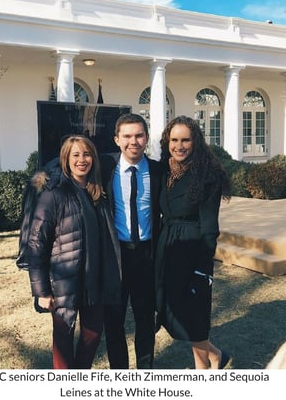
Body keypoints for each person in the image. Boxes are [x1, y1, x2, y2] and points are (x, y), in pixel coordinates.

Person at [26, 135, 122, 369]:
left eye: (87, 154)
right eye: (75, 155)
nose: (82, 160)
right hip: (64, 283)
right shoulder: (54, 195)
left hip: (94, 282)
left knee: (92, 336)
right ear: (65, 159)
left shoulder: (98, 193)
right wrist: (41, 291)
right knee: (63, 341)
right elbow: (36, 245)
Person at [155, 115, 231, 369]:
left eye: (185, 140)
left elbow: (210, 227)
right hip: (167, 246)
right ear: (167, 141)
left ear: (195, 141)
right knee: (168, 309)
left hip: (192, 247)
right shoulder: (163, 170)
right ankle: (215, 353)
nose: (180, 145)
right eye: (174, 140)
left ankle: (204, 368)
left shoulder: (208, 175)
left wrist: (202, 268)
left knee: (193, 312)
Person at [100, 113, 161, 369]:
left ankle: (144, 372)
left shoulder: (159, 170)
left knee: (145, 321)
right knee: (113, 322)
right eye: (126, 136)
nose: (132, 141)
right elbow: (64, 164)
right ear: (117, 139)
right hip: (115, 257)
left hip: (146, 256)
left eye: (138, 135)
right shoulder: (104, 167)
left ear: (146, 139)